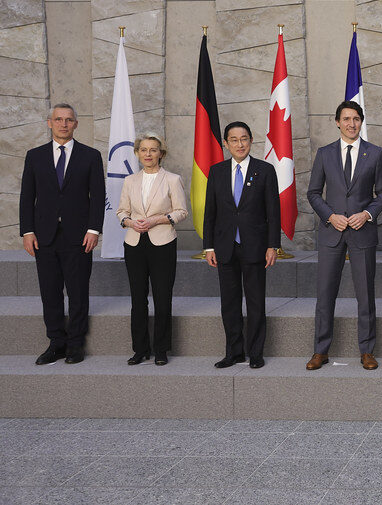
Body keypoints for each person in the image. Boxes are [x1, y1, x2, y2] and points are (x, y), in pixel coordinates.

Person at [306, 101, 382, 371]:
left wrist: (366, 214)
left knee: (365, 295)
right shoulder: (325, 153)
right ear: (337, 122)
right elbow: (313, 193)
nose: (351, 124)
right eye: (346, 119)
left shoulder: (375, 154)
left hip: (362, 232)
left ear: (362, 121)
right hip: (332, 231)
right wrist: (330, 216)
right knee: (325, 295)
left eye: (356, 119)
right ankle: (321, 351)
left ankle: (367, 351)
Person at [19, 104, 104, 365]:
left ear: (76, 124)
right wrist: (27, 231)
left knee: (78, 291)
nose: (63, 124)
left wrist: (93, 230)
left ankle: (75, 344)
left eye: (69, 120)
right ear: (49, 123)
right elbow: (27, 197)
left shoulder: (90, 155)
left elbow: (98, 197)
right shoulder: (34, 156)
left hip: (79, 236)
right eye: (58, 119)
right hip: (43, 236)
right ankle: (56, 342)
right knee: (50, 291)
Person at [203, 121, 281, 369]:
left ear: (251, 141)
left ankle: (255, 352)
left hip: (255, 246)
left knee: (256, 301)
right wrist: (209, 246)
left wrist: (273, 245)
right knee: (230, 302)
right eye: (234, 140)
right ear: (226, 143)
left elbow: (273, 211)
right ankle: (234, 352)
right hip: (225, 246)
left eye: (244, 138)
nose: (240, 144)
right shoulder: (216, 171)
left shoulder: (265, 170)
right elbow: (210, 212)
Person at [115, 134, 188, 365]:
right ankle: (140, 349)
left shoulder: (172, 179)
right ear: (137, 153)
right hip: (134, 243)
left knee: (162, 297)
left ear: (161, 154)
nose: (148, 154)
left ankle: (162, 349)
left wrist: (158, 219)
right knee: (138, 299)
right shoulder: (130, 181)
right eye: (143, 150)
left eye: (153, 150)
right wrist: (129, 222)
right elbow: (121, 212)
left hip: (163, 243)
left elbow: (181, 212)